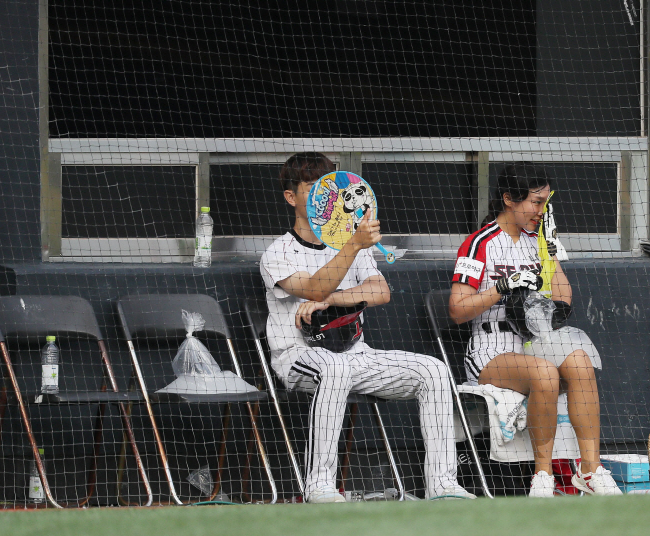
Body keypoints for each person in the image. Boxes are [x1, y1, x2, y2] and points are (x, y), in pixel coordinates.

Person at [260, 152, 475, 503]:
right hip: (299, 357)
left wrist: (334, 299)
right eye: (314, 188)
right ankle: (320, 487)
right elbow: (313, 287)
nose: (324, 197)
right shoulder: (278, 252)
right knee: (334, 367)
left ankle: (442, 485)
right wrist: (352, 247)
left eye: (329, 188)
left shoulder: (352, 244)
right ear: (291, 197)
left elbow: (380, 291)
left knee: (433, 370)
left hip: (356, 354)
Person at [449, 163, 622, 497]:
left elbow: (563, 300)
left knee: (581, 363)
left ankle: (590, 470)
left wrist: (549, 248)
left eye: (546, 202)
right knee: (545, 374)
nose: (541, 211)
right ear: (509, 200)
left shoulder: (540, 239)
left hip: (534, 339)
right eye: (535, 202)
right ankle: (542, 477)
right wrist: (503, 286)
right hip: (491, 346)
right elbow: (457, 310)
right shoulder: (479, 243)